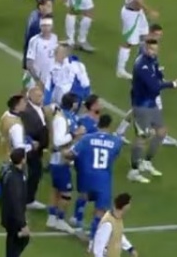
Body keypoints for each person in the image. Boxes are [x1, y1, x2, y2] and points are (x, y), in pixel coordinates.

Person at [127, 39, 177, 183]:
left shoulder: (153, 60)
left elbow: (158, 76)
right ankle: (133, 170)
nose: (154, 52)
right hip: (141, 105)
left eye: (156, 49)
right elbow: (154, 86)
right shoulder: (141, 65)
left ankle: (146, 162)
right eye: (151, 49)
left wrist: (160, 74)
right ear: (145, 49)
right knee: (142, 138)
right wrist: (173, 84)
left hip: (151, 103)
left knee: (161, 132)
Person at [114, 24, 176, 146]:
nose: (158, 38)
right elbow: (143, 65)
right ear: (150, 33)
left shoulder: (150, 45)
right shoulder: (146, 47)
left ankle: (119, 132)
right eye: (156, 35)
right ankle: (159, 134)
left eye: (160, 35)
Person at [65, 114, 123, 243]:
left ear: (98, 124)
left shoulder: (86, 139)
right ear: (109, 125)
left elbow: (71, 154)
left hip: (86, 175)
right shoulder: (116, 142)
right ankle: (93, 239)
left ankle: (77, 220)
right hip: (103, 178)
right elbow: (114, 156)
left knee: (84, 195)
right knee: (100, 209)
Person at [0, 94, 34, 211]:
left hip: (3, 151)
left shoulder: (6, 114)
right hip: (13, 157)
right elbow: (19, 148)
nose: (26, 104)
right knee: (17, 183)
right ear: (17, 106)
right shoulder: (16, 126)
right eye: (23, 103)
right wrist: (31, 146)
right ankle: (16, 209)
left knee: (4, 180)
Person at [47, 93, 84, 233]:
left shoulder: (66, 116)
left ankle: (51, 218)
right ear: (73, 104)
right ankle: (60, 220)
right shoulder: (61, 119)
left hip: (61, 160)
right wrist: (75, 134)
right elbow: (57, 141)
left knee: (56, 190)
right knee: (66, 193)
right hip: (59, 161)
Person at [116, 0, 157, 79]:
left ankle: (144, 65)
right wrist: (149, 11)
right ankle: (120, 70)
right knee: (129, 42)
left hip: (138, 13)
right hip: (130, 14)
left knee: (145, 37)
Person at [70, 94, 102, 230]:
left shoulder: (97, 119)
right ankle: (77, 218)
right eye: (99, 103)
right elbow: (77, 136)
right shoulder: (85, 120)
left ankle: (78, 216)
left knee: (93, 190)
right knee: (85, 190)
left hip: (94, 159)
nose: (101, 105)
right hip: (85, 160)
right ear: (93, 106)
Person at [20, 86, 49, 210]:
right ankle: (27, 199)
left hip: (38, 147)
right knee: (35, 172)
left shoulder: (39, 108)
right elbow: (26, 130)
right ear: (30, 97)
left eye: (41, 95)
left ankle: (27, 198)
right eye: (37, 96)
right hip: (32, 148)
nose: (40, 98)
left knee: (35, 172)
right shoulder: (27, 111)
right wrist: (32, 142)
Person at [22, 0, 54, 89]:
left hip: (30, 62)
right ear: (41, 7)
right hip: (36, 66)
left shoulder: (34, 14)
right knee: (35, 91)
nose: (51, 9)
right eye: (48, 6)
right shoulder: (38, 25)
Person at [24, 16, 58, 92]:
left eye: (48, 25)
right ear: (40, 26)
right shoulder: (34, 41)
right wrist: (38, 80)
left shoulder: (55, 38)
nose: (46, 28)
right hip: (35, 80)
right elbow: (29, 64)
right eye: (43, 26)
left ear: (52, 26)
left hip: (49, 80)